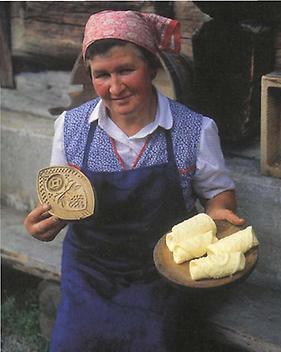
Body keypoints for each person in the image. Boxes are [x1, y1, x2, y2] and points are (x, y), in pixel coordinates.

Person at [24, 10, 245, 352]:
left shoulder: (194, 129)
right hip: (89, 270)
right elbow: (62, 203)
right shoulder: (70, 127)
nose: (115, 87)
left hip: (161, 270)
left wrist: (219, 214)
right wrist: (45, 226)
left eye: (126, 70)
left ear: (152, 67)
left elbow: (218, 194)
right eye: (101, 75)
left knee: (153, 341)